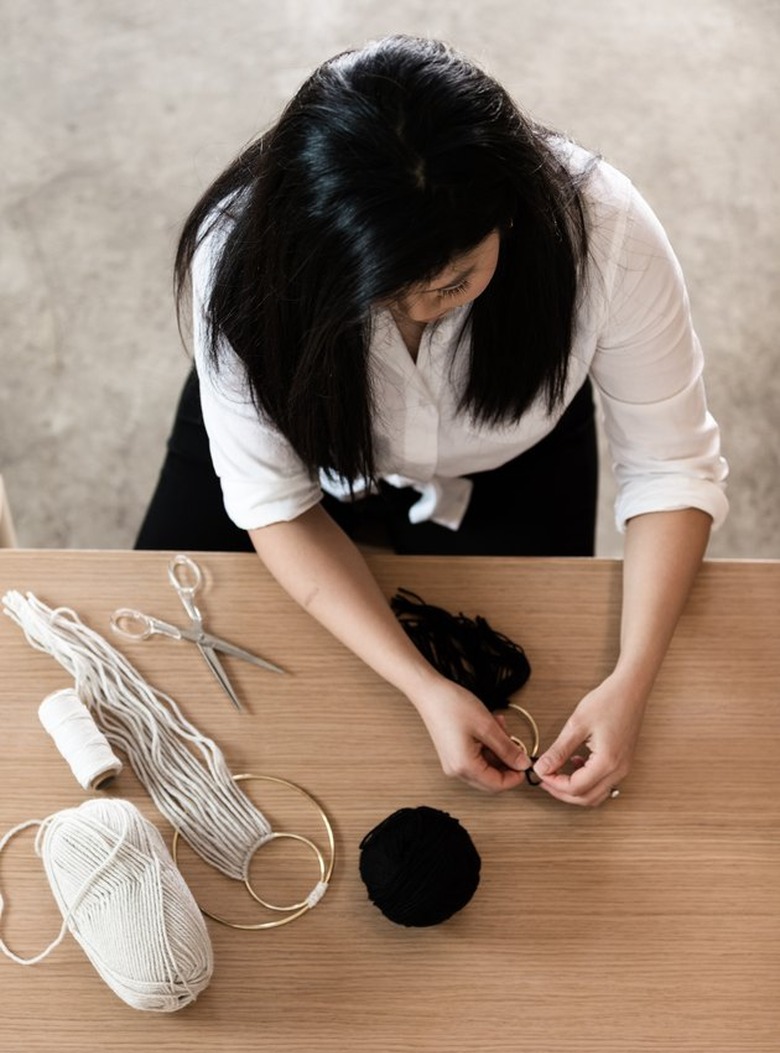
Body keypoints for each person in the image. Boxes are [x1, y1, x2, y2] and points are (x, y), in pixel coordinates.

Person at [136, 34, 728, 807]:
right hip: (304, 421)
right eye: (381, 292)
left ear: (509, 216)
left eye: (454, 282)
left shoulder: (608, 232)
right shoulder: (241, 257)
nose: (419, 311)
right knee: (147, 662)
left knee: (535, 667)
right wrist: (417, 684)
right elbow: (274, 502)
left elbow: (671, 467)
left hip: (514, 452)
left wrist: (632, 681)